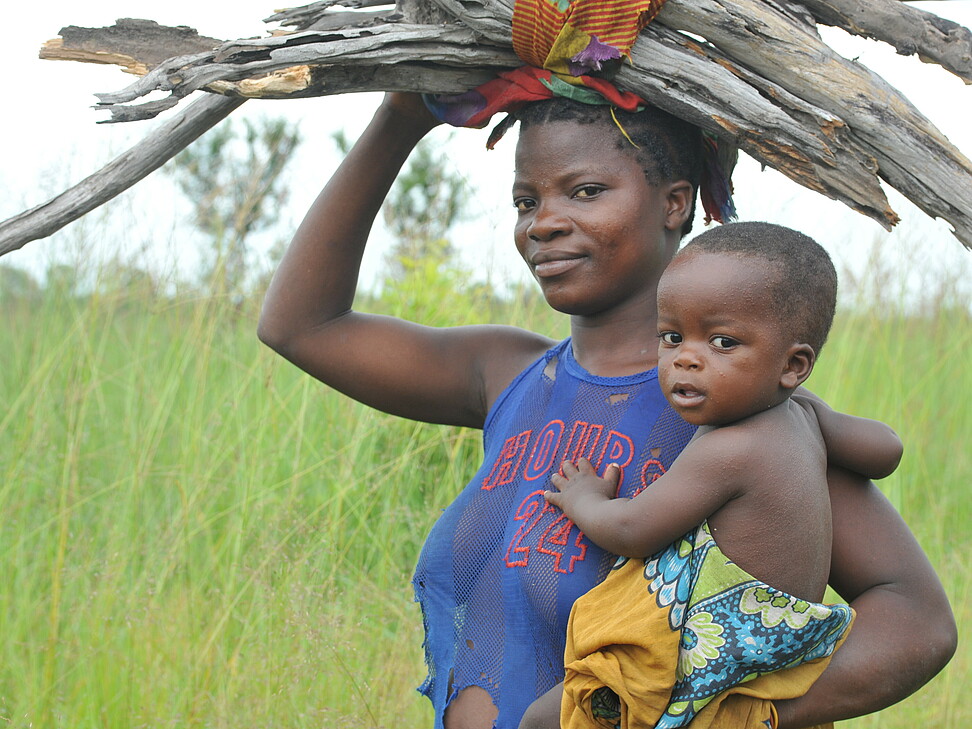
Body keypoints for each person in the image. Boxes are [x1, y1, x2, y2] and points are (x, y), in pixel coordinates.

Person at [256, 92, 955, 729]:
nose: (545, 224)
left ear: (675, 202)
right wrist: (403, 115)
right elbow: (300, 325)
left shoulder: (741, 416)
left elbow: (915, 619)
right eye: (526, 202)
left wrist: (708, 711)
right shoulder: (505, 373)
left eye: (585, 191)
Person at [526, 222, 902, 729]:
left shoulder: (730, 448)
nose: (686, 357)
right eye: (671, 336)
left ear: (793, 365)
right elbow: (886, 450)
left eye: (723, 342)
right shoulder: (804, 414)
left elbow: (633, 530)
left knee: (541, 719)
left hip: (707, 675)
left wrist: (585, 499)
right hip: (773, 669)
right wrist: (823, 417)